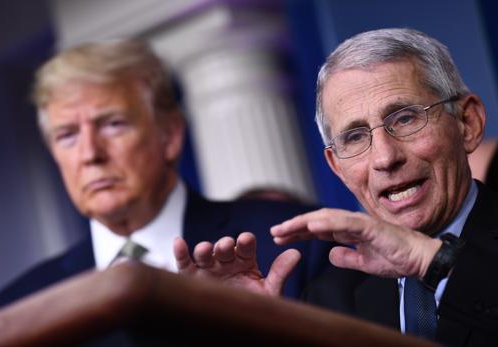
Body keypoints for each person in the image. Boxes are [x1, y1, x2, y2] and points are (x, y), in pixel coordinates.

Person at [173, 28, 498, 346]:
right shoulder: (330, 298)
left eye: (405, 119)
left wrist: (433, 263)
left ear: (467, 123)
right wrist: (255, 331)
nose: (385, 158)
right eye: (355, 137)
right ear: (337, 167)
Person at [0, 40, 332, 310]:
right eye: (67, 135)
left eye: (113, 124)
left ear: (170, 135)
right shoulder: (18, 307)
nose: (90, 154)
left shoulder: (298, 243)